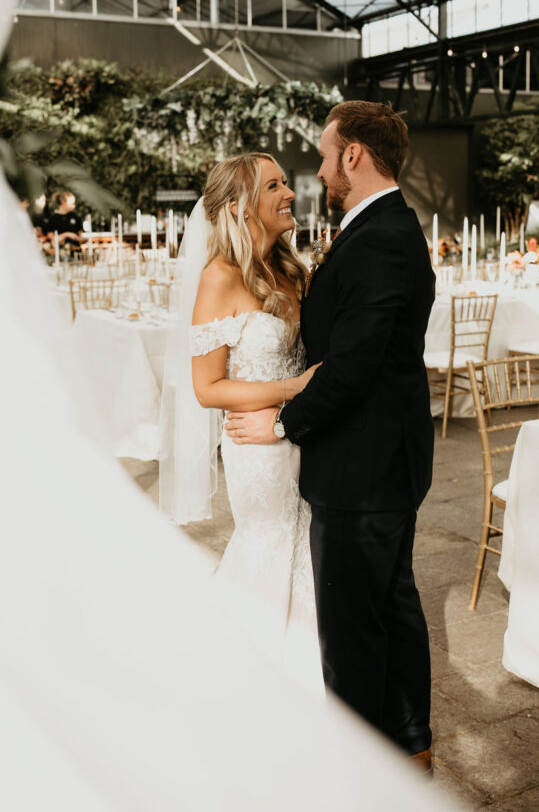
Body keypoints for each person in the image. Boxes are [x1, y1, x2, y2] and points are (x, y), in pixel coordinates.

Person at [224, 102, 435, 773]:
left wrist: (281, 423)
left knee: (352, 627)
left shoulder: (379, 237)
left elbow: (354, 363)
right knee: (390, 605)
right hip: (383, 460)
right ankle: (409, 746)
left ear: (352, 154)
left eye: (321, 154)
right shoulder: (378, 228)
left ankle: (361, 770)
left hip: (361, 467)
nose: (315, 171)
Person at [161, 153, 323, 691]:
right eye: (274, 185)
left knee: (303, 546)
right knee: (269, 543)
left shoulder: (289, 268)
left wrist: (297, 410)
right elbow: (207, 387)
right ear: (239, 206)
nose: (289, 193)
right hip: (255, 444)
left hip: (298, 433)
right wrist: (291, 392)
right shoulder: (219, 277)